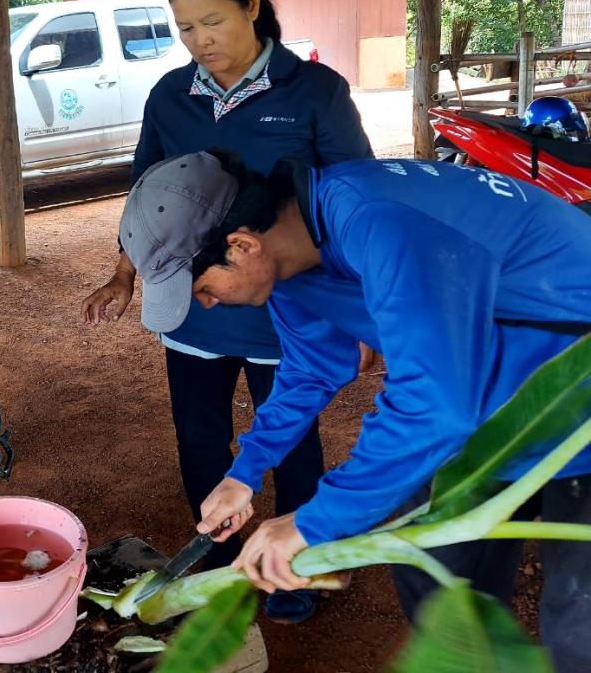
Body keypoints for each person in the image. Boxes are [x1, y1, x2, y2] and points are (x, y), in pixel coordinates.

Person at [124, 150, 591, 672]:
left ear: (242, 245)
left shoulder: (379, 222)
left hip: (575, 411)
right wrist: (244, 474)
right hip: (492, 417)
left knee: (580, 624)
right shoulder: (292, 260)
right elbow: (311, 369)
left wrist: (313, 522)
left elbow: (435, 404)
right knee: (440, 589)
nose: (207, 303)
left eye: (204, 288)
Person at [80, 0, 371, 623]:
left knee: (291, 437)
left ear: (251, 6)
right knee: (201, 440)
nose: (200, 41)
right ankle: (219, 571)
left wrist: (358, 312)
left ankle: (294, 571)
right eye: (185, 27)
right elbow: (146, 194)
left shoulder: (314, 91)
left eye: (212, 21)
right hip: (195, 310)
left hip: (283, 313)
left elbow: (352, 203)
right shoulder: (170, 96)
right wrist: (124, 272)